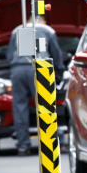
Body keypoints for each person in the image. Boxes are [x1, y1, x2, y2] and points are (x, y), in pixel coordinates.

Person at [7, 15, 64, 156]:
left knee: (20, 108)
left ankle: (23, 146)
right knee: (45, 106)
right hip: (40, 69)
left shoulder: (17, 30)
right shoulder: (47, 30)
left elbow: (9, 55)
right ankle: (50, 143)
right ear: (43, 20)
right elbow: (56, 54)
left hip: (18, 70)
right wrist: (59, 71)